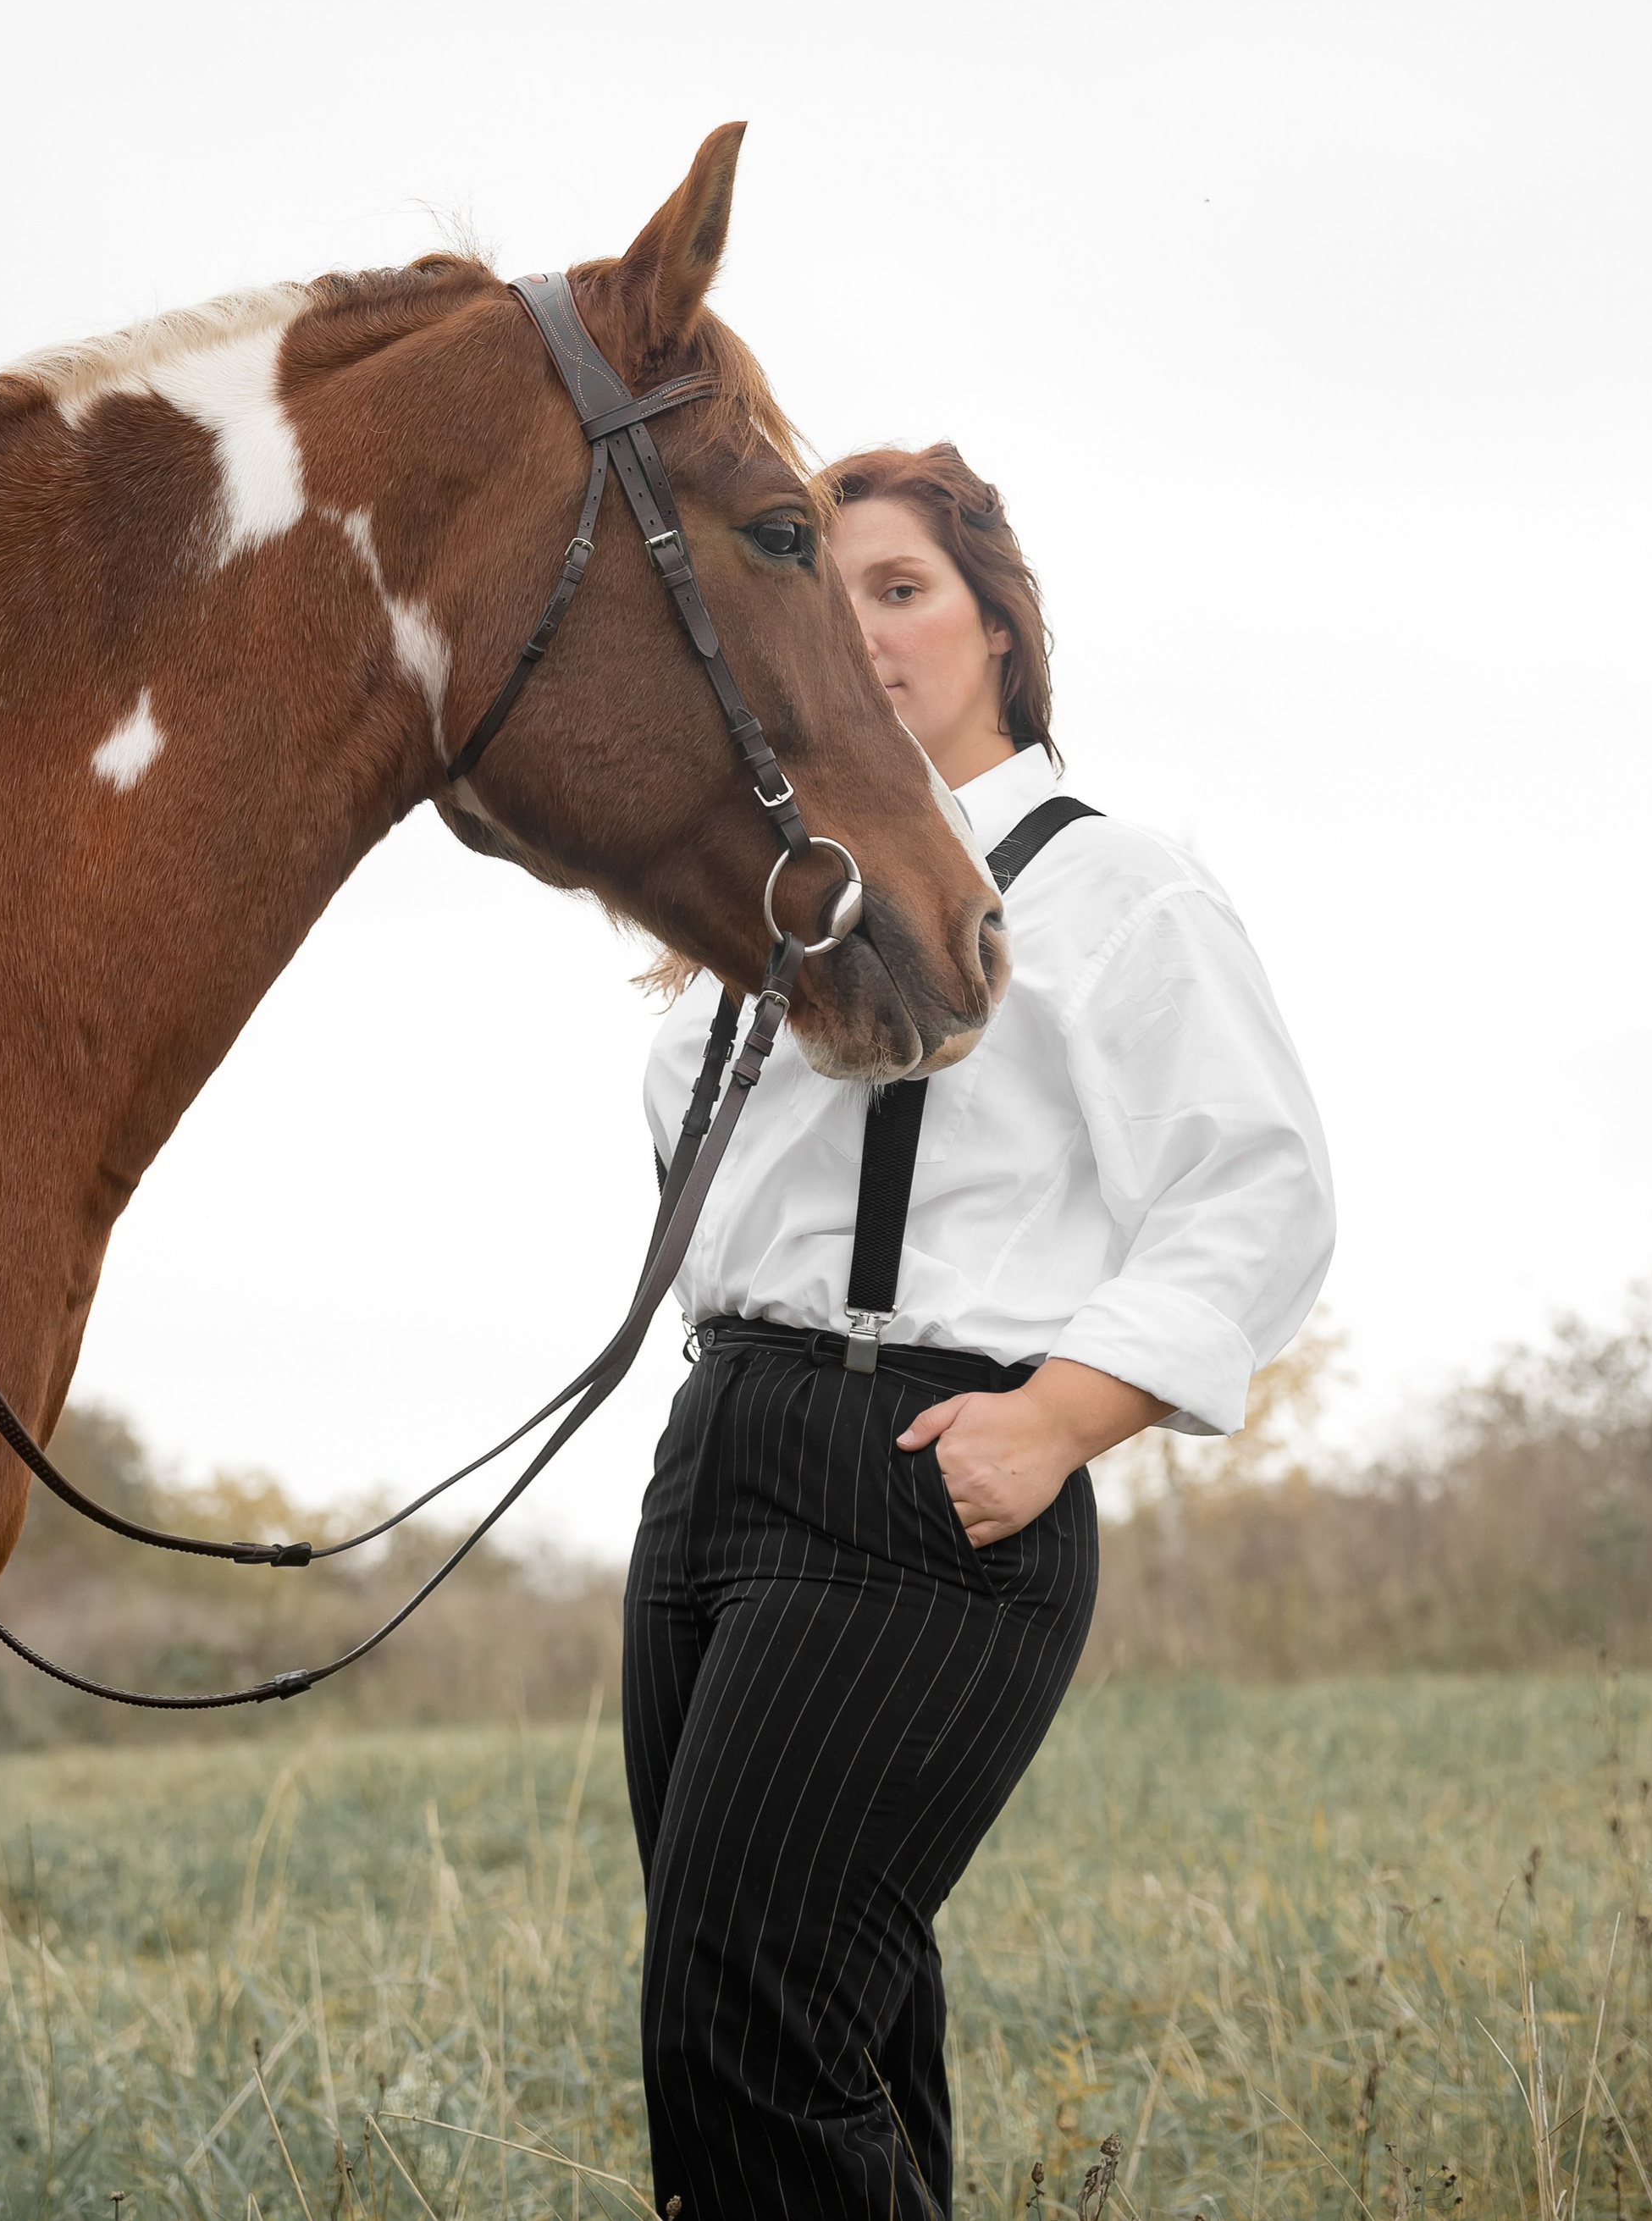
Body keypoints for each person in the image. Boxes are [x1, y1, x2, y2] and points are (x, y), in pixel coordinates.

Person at [625, 441, 1335, 2218]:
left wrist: (1063, 1416)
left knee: (739, 2027)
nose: (859, 630)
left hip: (927, 1476)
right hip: (716, 1463)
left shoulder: (1115, 883)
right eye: (822, 592)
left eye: (900, 588)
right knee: (828, 2034)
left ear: (997, 626)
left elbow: (1255, 1189)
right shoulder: (775, 894)